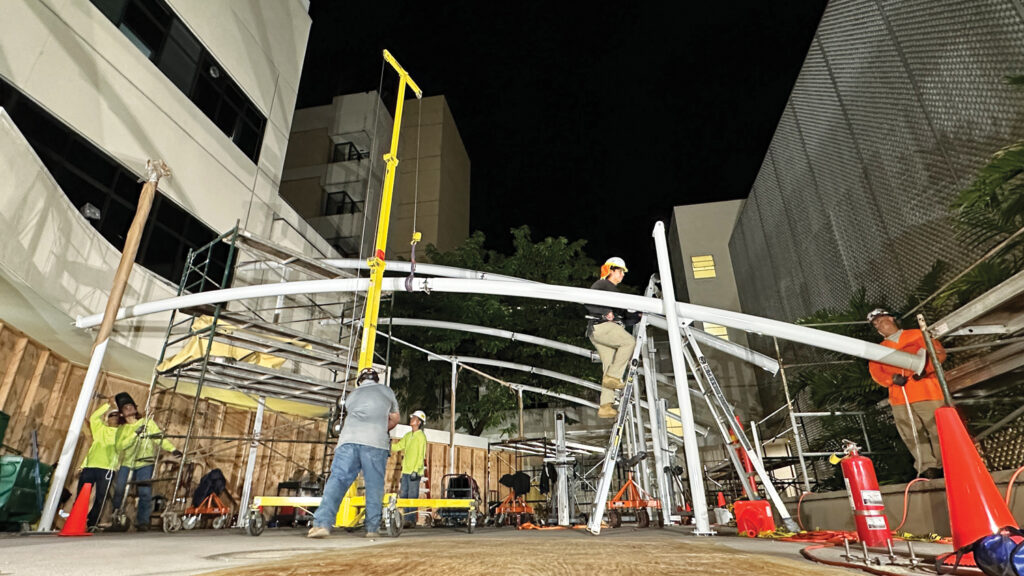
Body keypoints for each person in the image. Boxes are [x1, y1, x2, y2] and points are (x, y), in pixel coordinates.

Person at [308, 368, 400, 539]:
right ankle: (372, 528)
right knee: (374, 485)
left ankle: (322, 524)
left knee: (337, 480)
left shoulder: (352, 395)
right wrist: (380, 428)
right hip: (375, 443)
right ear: (376, 379)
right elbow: (395, 417)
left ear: (360, 381)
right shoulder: (387, 391)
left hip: (348, 441)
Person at [866, 309, 947, 480]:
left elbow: (937, 353)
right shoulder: (878, 349)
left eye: (881, 321)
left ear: (891, 319)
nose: (879, 325)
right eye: (876, 324)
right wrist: (892, 379)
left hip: (926, 391)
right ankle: (927, 467)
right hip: (900, 397)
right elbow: (876, 372)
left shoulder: (916, 335)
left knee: (937, 428)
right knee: (911, 433)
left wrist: (925, 370)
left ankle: (945, 462)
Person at [112, 392, 181, 531]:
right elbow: (120, 446)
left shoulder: (147, 423)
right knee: (119, 490)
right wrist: (134, 434)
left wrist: (172, 449)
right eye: (126, 408)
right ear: (121, 413)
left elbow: (158, 437)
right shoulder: (122, 429)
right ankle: (117, 517)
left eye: (131, 406)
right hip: (127, 463)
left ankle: (143, 521)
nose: (130, 409)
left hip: (145, 462)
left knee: (145, 492)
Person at [585, 257, 637, 419]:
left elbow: (624, 315)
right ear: (611, 270)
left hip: (596, 332)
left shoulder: (606, 291)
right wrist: (604, 312)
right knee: (629, 342)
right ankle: (614, 377)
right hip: (602, 328)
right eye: (620, 271)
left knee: (609, 365)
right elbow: (589, 302)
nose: (622, 275)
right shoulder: (603, 285)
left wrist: (638, 316)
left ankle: (605, 406)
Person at [76, 401, 122, 529]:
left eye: (117, 416)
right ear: (108, 419)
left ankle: (92, 523)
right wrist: (107, 404)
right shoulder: (100, 429)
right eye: (112, 415)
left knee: (101, 497)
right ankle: (77, 520)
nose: (115, 418)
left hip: (107, 469)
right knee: (81, 496)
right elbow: (94, 417)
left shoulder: (121, 433)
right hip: (90, 467)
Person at [391, 410, 427, 528]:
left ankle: (411, 520)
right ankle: (407, 518)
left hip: (414, 472)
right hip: (406, 471)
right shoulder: (408, 436)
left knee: (412, 495)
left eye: (414, 418)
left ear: (419, 422)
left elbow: (421, 455)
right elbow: (398, 446)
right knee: (404, 495)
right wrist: (388, 445)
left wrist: (416, 470)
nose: (411, 419)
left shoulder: (421, 437)